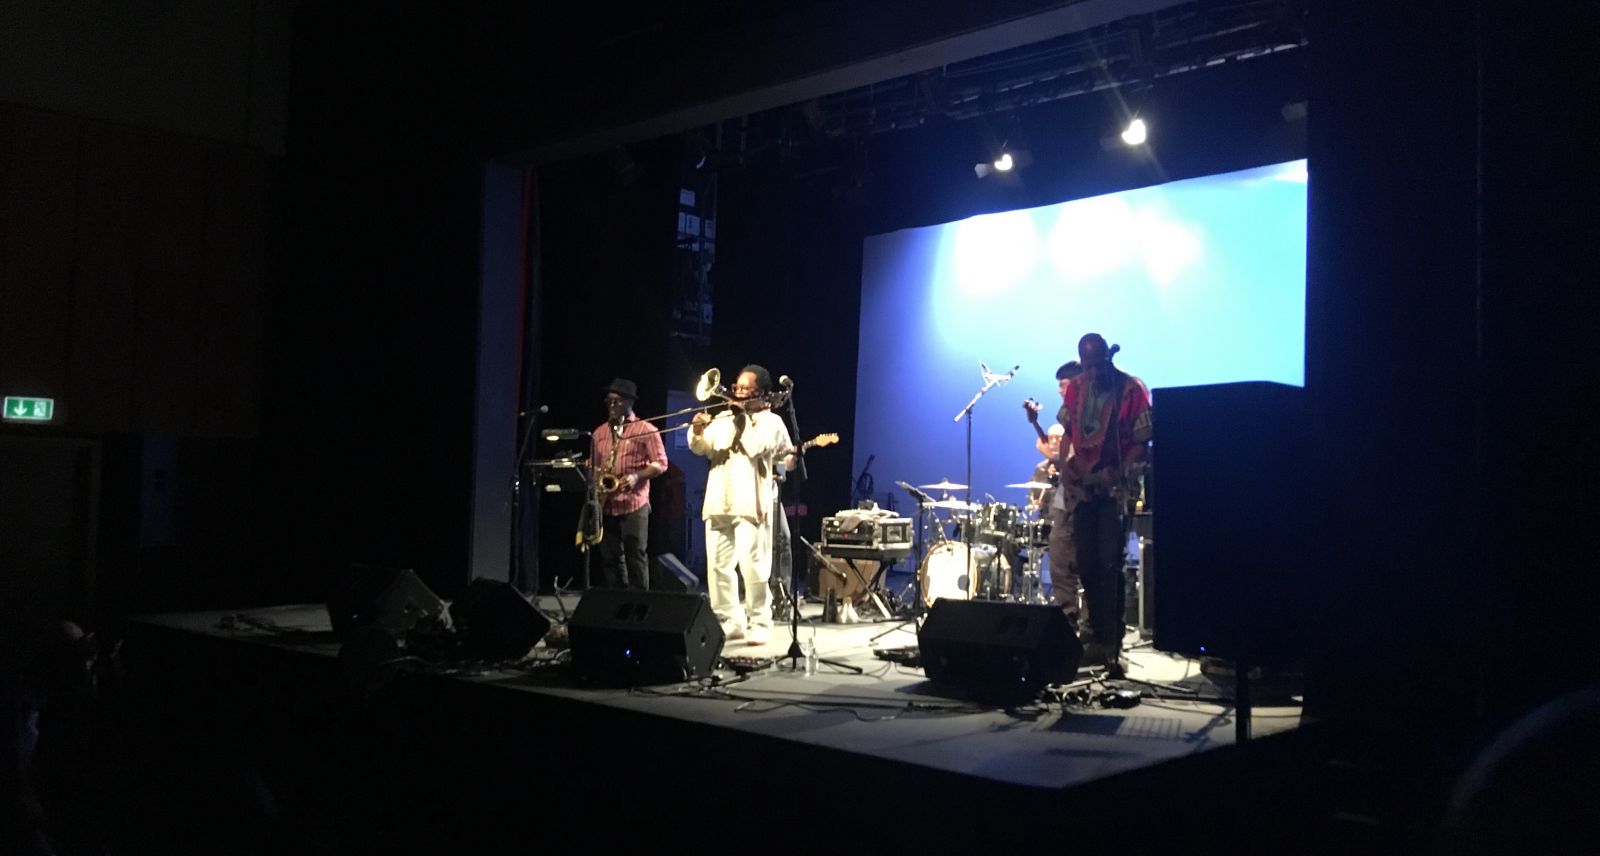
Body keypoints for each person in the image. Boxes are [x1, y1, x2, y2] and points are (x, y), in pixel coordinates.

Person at [1058, 336, 1151, 677]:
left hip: (1116, 488)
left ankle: (1113, 643)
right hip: (1083, 487)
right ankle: (1094, 635)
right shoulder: (1077, 388)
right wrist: (1065, 461)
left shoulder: (1131, 389)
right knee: (1086, 563)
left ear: (1108, 359)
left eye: (1100, 364)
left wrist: (1117, 472)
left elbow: (1142, 441)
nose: (1095, 372)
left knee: (1110, 563)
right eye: (1089, 366)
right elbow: (1068, 431)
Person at [689, 365, 794, 645]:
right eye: (737, 388)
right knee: (718, 566)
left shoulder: (771, 422)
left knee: (754, 565)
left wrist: (742, 420)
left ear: (762, 393)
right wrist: (698, 431)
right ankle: (729, 619)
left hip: (751, 502)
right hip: (719, 500)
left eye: (746, 389)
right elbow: (703, 448)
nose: (738, 393)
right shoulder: (723, 417)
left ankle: (759, 620)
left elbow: (757, 447)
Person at [1024, 362, 1088, 630]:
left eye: (1063, 385)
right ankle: (1068, 624)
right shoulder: (1068, 413)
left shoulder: (1089, 412)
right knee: (1059, 563)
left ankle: (1089, 629)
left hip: (1084, 499)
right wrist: (1036, 423)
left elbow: (1070, 459)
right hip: (1064, 501)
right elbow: (1056, 453)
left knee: (1083, 566)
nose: (1060, 391)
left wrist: (1049, 453)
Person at [590, 378, 668, 590]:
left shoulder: (646, 429)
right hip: (608, 503)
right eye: (610, 401)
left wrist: (636, 476)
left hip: (634, 503)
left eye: (617, 401)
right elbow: (594, 465)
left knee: (635, 555)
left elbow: (661, 464)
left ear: (629, 403)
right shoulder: (599, 433)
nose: (612, 406)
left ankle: (639, 603)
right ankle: (618, 602)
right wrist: (596, 475)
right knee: (610, 557)